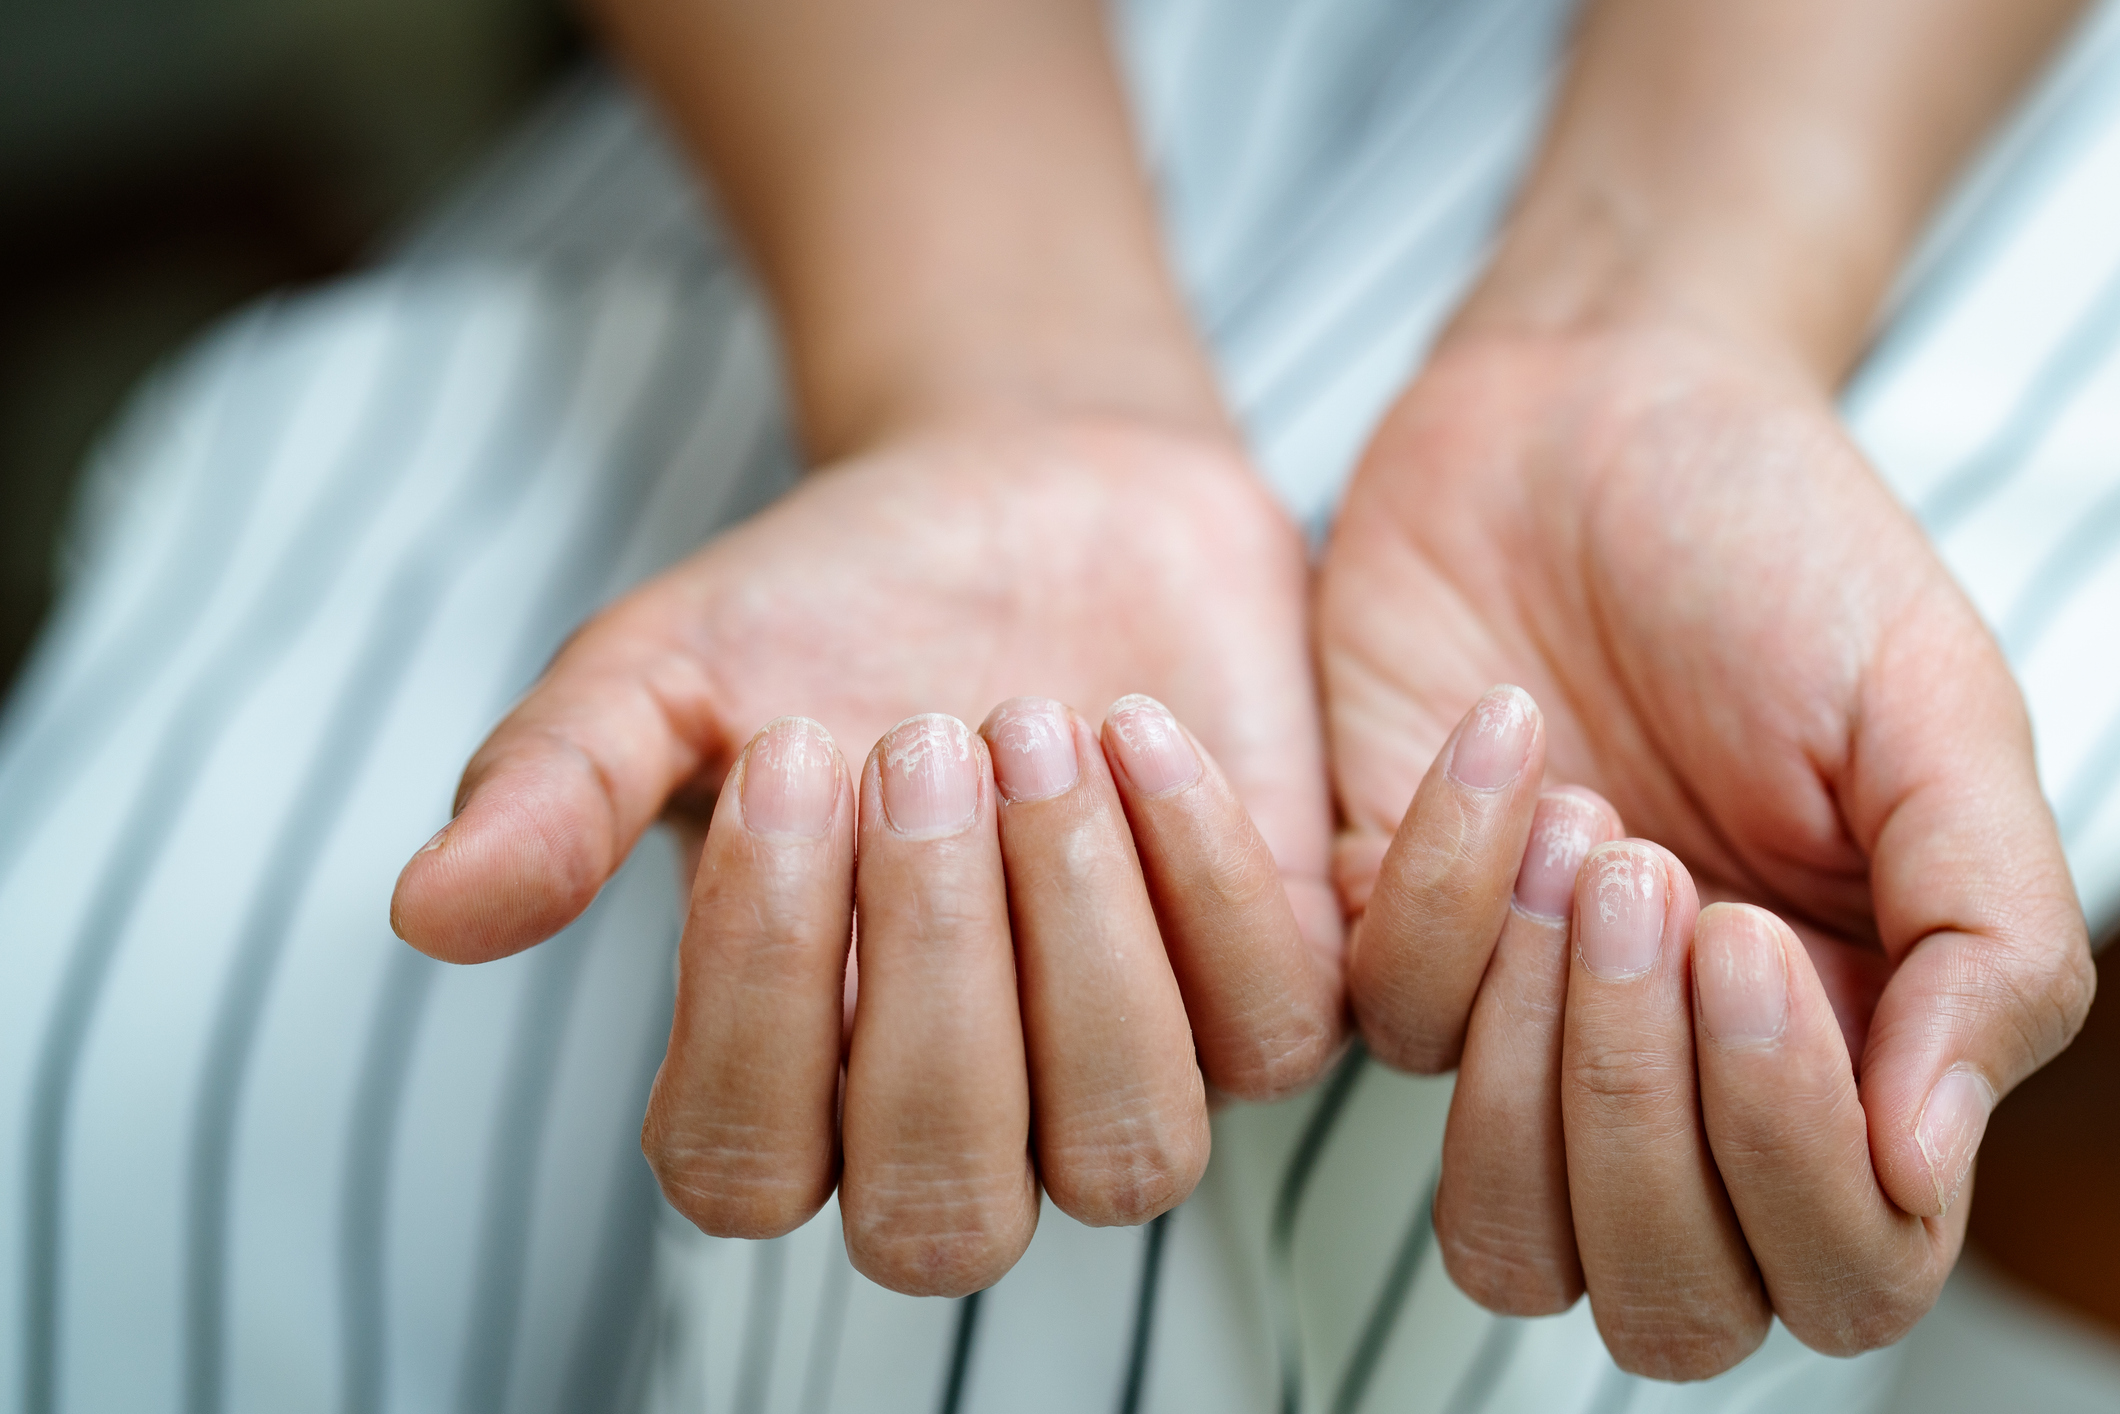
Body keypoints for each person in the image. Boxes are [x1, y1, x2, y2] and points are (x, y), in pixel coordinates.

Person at [7, 0, 2120, 1410]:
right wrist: (994, 364)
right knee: (135, 1047)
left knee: (1319, 1162)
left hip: (1868, 92)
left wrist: (1652, 314)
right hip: (899, 96)